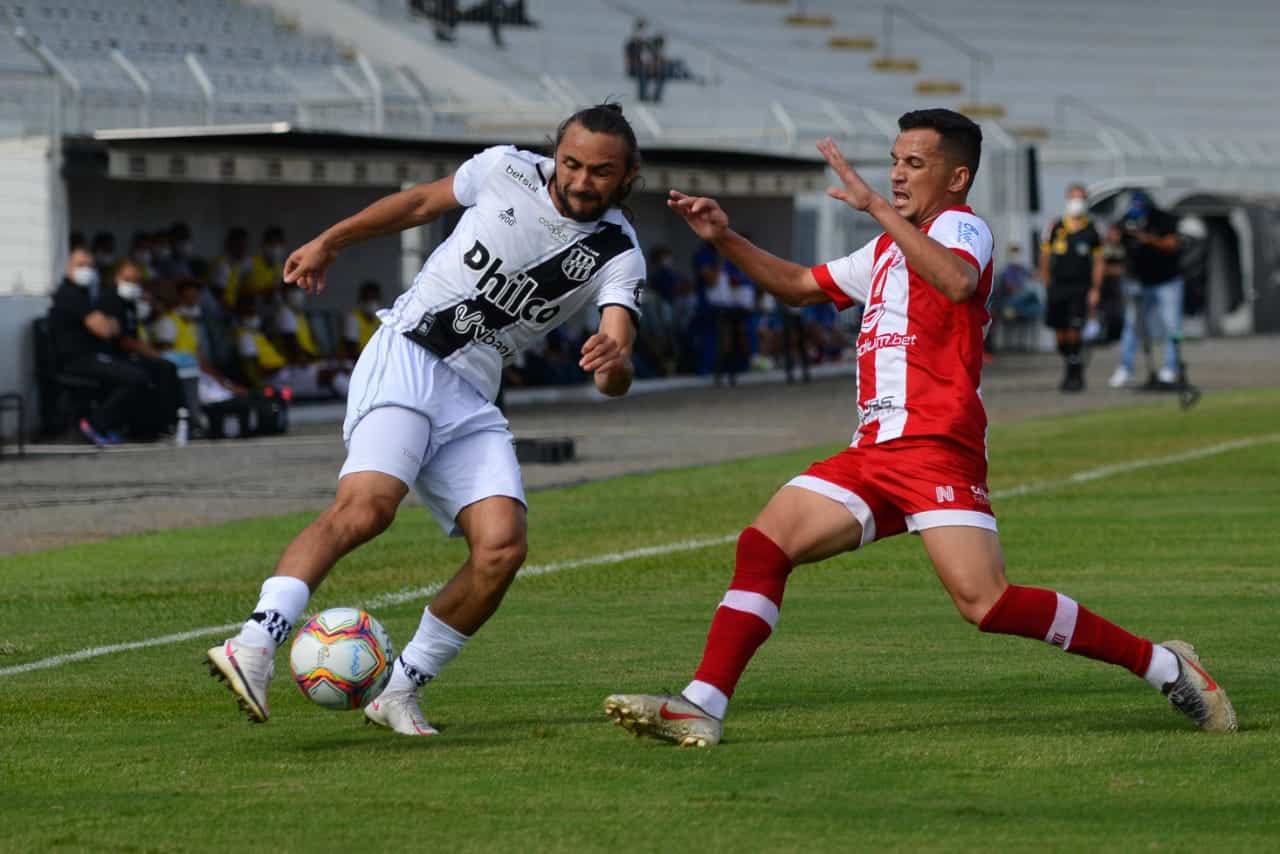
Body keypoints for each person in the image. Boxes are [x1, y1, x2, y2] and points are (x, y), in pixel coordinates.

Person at [604, 109, 1235, 748]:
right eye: (894, 162)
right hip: (874, 450)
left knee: (986, 603)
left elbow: (957, 281)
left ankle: (1165, 666)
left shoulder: (962, 227)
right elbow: (797, 285)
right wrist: (724, 237)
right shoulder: (887, 249)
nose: (898, 175)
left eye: (914, 164)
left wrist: (877, 208)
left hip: (936, 447)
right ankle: (702, 705)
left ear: (956, 177)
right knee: (764, 546)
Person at [206, 103, 646, 737]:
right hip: (410, 353)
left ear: (627, 175)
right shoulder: (504, 169)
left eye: (600, 172)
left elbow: (614, 366)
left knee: (502, 548)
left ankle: (399, 691)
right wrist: (330, 240)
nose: (580, 180)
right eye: (571, 163)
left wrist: (614, 363)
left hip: (473, 393)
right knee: (367, 508)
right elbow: (417, 204)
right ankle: (254, 642)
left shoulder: (619, 252)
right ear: (557, 152)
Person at [1110, 190, 1184, 388]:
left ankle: (1171, 368)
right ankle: (1125, 367)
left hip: (1167, 281)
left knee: (1172, 325)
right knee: (1132, 325)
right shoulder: (1125, 222)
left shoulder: (1162, 219)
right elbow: (1112, 247)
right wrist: (1116, 236)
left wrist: (1149, 239)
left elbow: (1173, 244)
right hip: (1140, 282)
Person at [1039, 185, 1103, 392]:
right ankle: (1071, 363)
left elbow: (1098, 262)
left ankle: (1073, 374)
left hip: (1080, 288)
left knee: (1075, 329)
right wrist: (1046, 282)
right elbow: (1045, 257)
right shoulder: (1055, 227)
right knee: (1061, 335)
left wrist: (1095, 289)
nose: (1077, 202)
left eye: (1081, 198)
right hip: (1058, 287)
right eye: (1074, 198)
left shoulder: (1092, 230)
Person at [343, 280, 384, 361]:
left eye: (374, 299)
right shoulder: (353, 318)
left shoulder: (381, 319)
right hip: (355, 361)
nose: (371, 303)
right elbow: (352, 350)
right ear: (361, 300)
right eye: (368, 299)